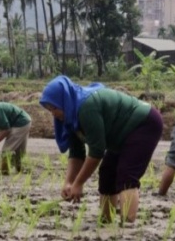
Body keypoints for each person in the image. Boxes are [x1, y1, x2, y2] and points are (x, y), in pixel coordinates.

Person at [40, 75, 163, 224]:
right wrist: (69, 182)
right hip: (121, 133)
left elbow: (97, 151)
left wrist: (78, 184)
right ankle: (106, 221)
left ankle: (127, 225)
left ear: (64, 100)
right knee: (107, 172)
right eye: (49, 110)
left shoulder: (86, 107)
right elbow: (76, 153)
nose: (53, 113)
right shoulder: (70, 117)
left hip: (144, 123)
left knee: (126, 173)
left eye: (54, 108)